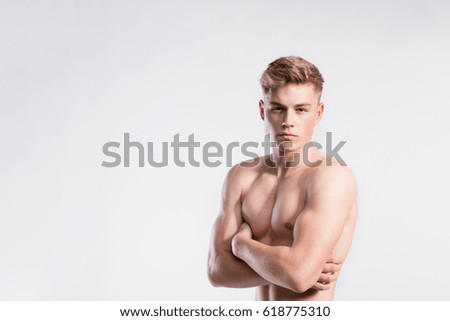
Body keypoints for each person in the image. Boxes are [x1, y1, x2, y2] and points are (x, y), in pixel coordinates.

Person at [207, 56, 358, 300]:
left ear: (318, 113)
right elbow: (216, 271)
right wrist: (291, 270)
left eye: (301, 110)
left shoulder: (330, 177)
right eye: (278, 108)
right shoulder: (241, 177)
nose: (289, 122)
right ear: (262, 110)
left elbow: (299, 276)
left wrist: (242, 247)